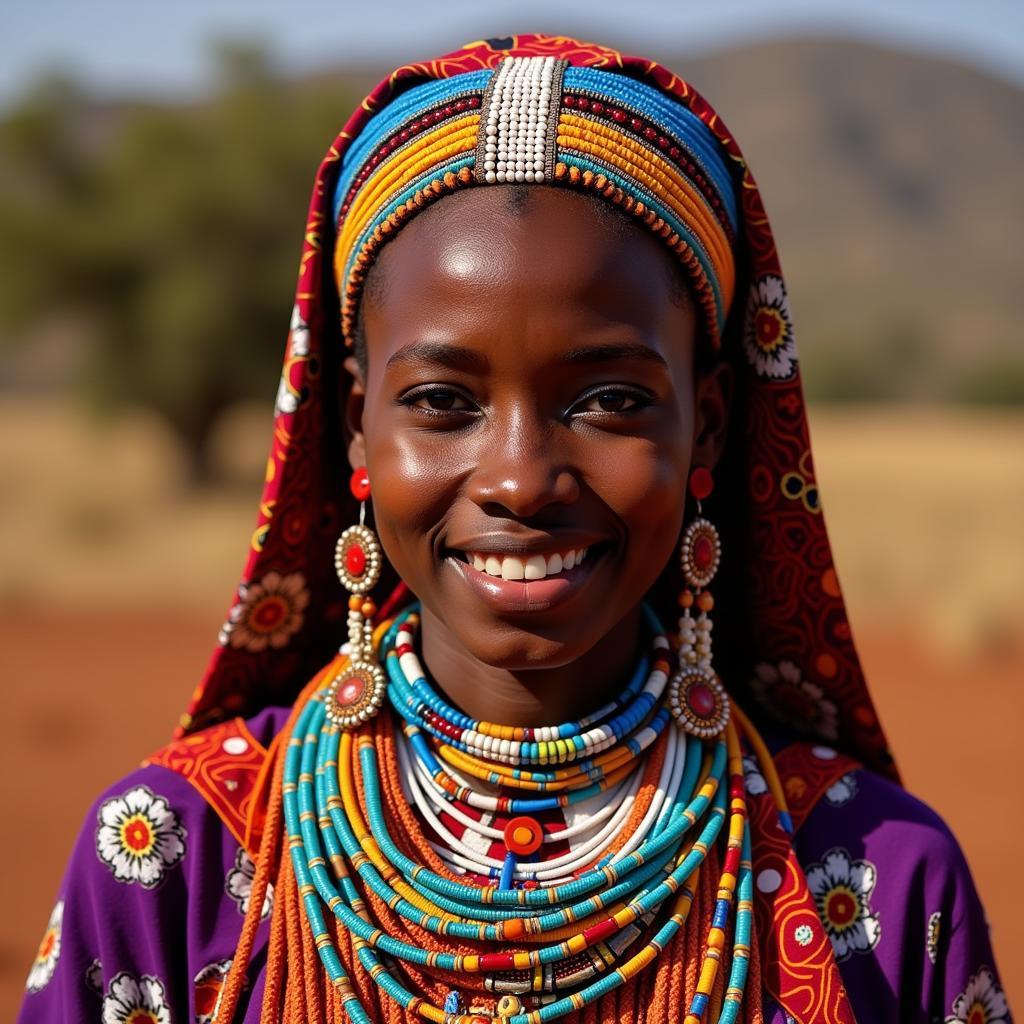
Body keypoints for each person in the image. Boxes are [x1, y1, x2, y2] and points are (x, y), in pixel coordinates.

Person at [17, 34, 1011, 1024]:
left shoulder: (875, 884)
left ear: (704, 420)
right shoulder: (174, 859)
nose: (522, 479)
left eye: (610, 398)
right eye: (444, 400)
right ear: (356, 423)